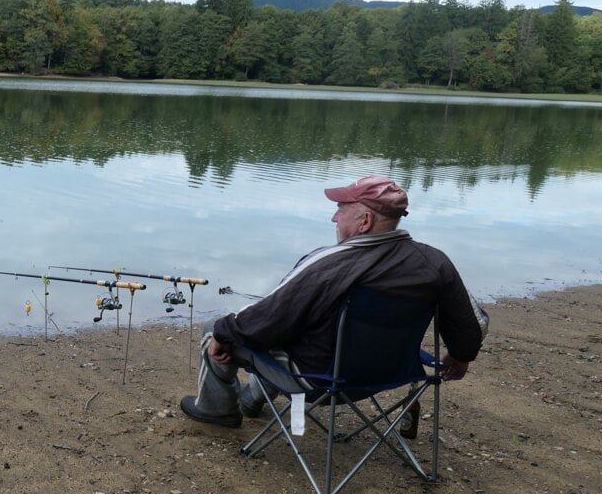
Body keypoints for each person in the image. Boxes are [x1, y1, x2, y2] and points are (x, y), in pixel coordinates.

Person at [180, 175, 488, 430]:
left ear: (364, 220)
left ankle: (216, 410)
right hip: (390, 375)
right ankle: (250, 400)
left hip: (319, 380)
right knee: (292, 328)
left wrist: (223, 332)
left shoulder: (330, 264)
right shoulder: (435, 262)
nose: (333, 216)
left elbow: (268, 318)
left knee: (222, 328)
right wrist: (460, 356)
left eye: (341, 209)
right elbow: (474, 323)